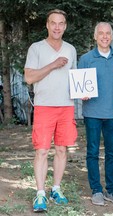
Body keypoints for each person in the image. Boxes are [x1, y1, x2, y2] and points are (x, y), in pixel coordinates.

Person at [24, 9, 78, 212]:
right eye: (53, 23)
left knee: (62, 149)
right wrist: (53, 64)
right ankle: (40, 193)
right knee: (42, 150)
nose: (57, 27)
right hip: (45, 106)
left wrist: (84, 91)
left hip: (66, 106)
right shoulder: (36, 48)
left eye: (61, 23)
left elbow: (75, 79)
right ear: (47, 25)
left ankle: (56, 188)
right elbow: (29, 77)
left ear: (65, 26)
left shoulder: (71, 49)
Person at [78, 22, 113, 206]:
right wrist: (81, 93)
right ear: (95, 36)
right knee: (92, 152)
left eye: (108, 33)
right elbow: (79, 85)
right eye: (101, 33)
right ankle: (96, 190)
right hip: (92, 113)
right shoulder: (86, 58)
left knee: (112, 153)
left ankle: (112, 190)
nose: (104, 36)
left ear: (112, 36)